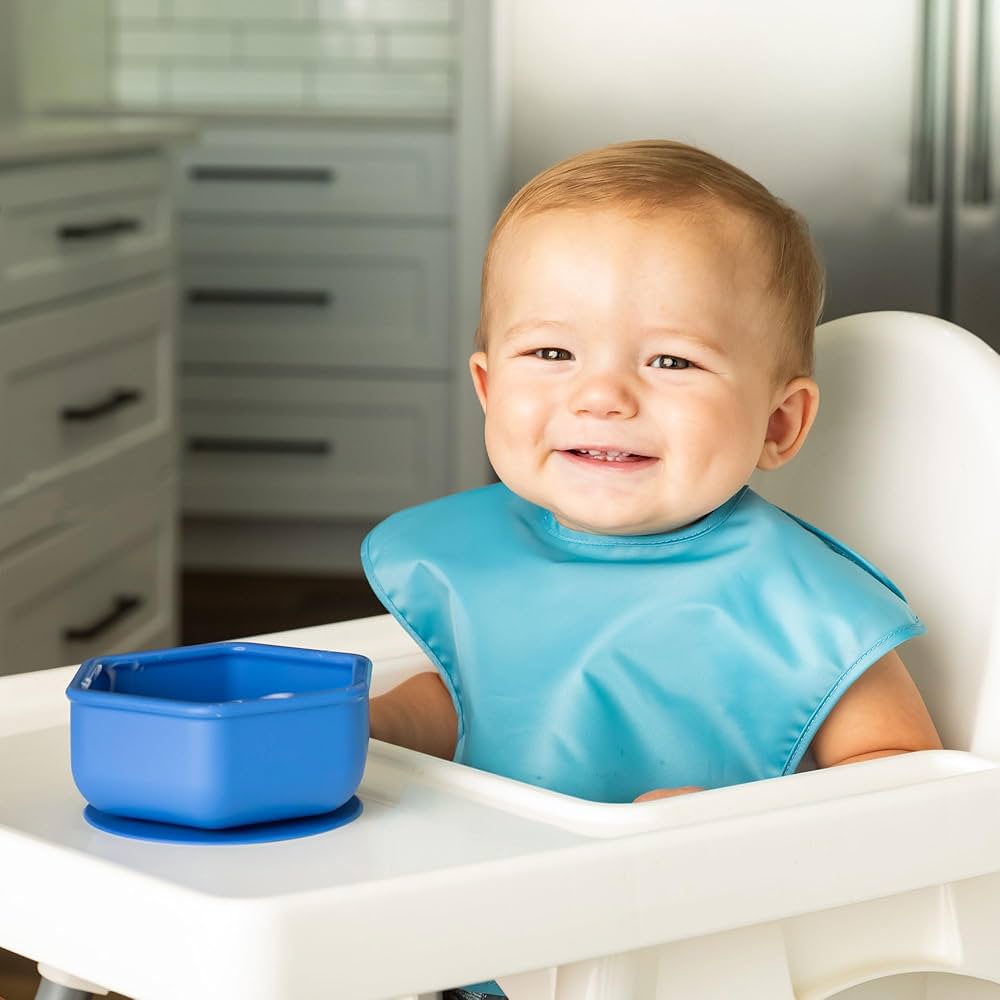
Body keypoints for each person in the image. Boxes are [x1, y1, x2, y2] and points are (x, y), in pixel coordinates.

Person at [361, 140, 942, 1000]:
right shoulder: (477, 557)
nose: (601, 396)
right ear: (488, 389)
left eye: (670, 361)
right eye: (551, 354)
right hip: (475, 945)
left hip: (694, 964)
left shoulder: (798, 600)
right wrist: (377, 729)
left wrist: (728, 827)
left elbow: (904, 780)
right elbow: (480, 695)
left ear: (779, 425)